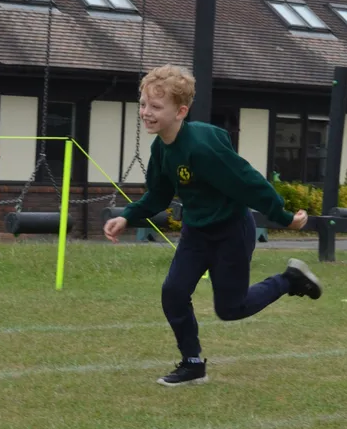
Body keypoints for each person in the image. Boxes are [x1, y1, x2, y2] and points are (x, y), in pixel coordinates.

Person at [104, 64, 322, 386]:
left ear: (180, 111)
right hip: (196, 231)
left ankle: (289, 280)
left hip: (231, 231)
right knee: (174, 292)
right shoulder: (161, 149)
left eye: (155, 107)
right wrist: (127, 216)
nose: (145, 113)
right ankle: (192, 364)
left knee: (231, 309)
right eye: (143, 104)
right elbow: (159, 195)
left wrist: (284, 216)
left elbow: (247, 181)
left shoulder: (202, 147)